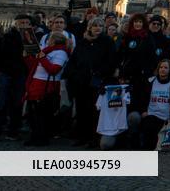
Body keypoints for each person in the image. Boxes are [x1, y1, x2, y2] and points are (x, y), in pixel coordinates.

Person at [63, 16, 115, 147]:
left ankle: (93, 138)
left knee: (93, 111)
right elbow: (74, 60)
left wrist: (100, 73)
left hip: (96, 81)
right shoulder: (83, 42)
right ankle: (81, 136)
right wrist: (73, 74)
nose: (97, 28)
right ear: (90, 27)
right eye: (95, 26)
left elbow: (111, 61)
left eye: (100, 26)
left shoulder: (107, 41)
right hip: (81, 81)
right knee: (81, 110)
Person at [24, 31, 69, 147]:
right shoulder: (48, 51)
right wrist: (27, 57)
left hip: (46, 85)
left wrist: (43, 58)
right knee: (33, 113)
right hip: (37, 83)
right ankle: (35, 136)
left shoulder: (61, 53)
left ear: (53, 40)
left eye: (49, 40)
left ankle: (41, 137)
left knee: (42, 114)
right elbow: (34, 65)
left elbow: (54, 70)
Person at [0, 13, 33, 140]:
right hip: (6, 73)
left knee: (17, 103)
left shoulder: (31, 39)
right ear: (16, 23)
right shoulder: (7, 36)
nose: (24, 25)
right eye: (21, 23)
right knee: (1, 103)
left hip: (21, 74)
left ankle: (13, 130)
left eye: (26, 23)